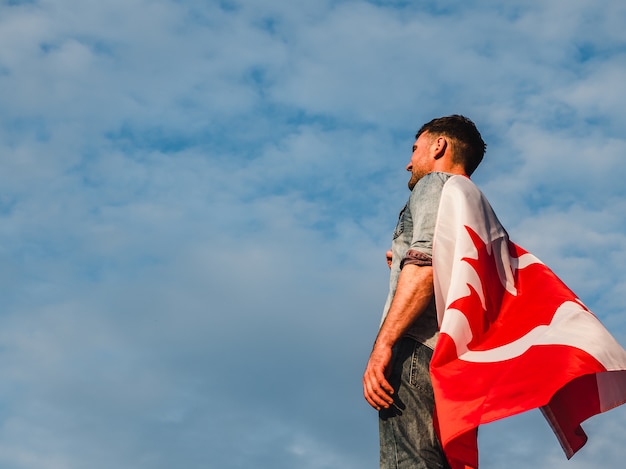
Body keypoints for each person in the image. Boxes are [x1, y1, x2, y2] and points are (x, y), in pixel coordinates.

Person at [363, 115, 486, 469]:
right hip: (458, 361)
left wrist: (383, 346)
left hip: (420, 348)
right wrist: (404, 259)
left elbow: (427, 261)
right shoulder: (474, 201)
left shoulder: (434, 183)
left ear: (438, 146)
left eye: (415, 149)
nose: (408, 162)